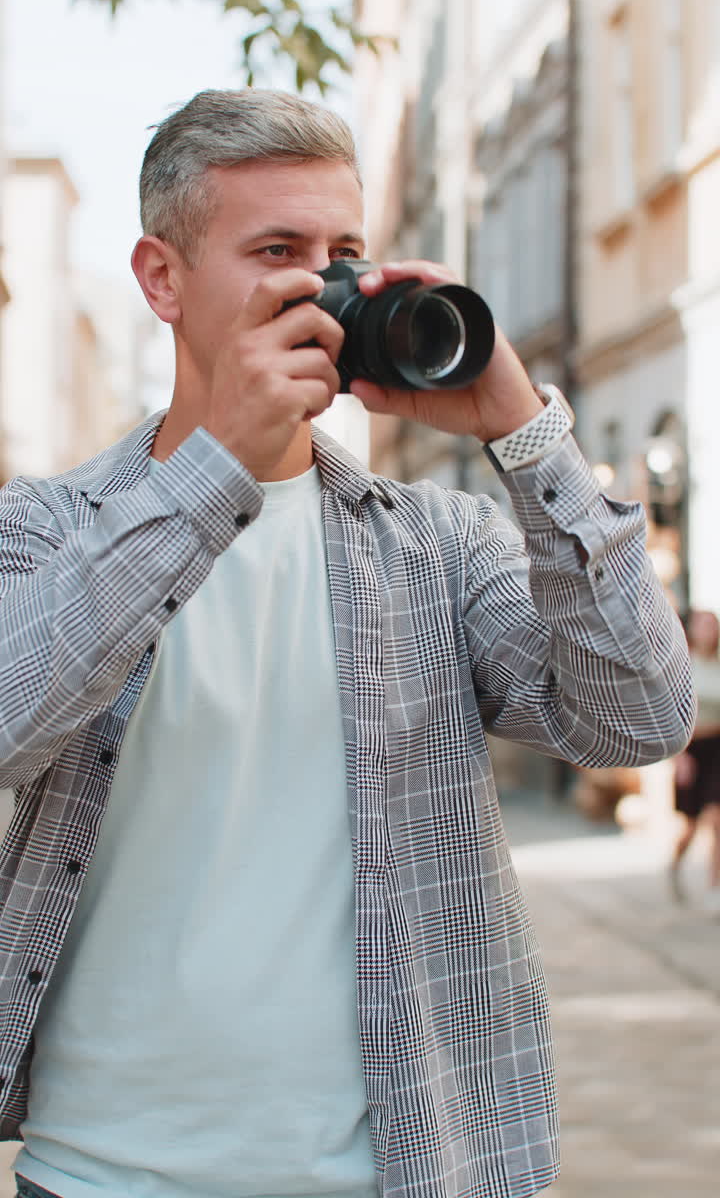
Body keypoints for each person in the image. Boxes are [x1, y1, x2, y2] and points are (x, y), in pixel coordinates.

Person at [0, 88, 694, 1198]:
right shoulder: (44, 529)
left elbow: (640, 718)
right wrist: (217, 465)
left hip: (402, 1170)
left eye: (345, 256)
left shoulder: (440, 543)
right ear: (162, 279)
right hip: (102, 1171)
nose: (321, 290)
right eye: (277, 252)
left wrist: (527, 433)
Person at [670, 608, 720, 910]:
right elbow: (672, 716)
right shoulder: (682, 665)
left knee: (717, 819)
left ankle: (715, 886)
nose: (708, 631)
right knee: (690, 826)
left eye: (713, 625)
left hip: (718, 749)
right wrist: (679, 757)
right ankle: (675, 864)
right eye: (703, 625)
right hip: (691, 749)